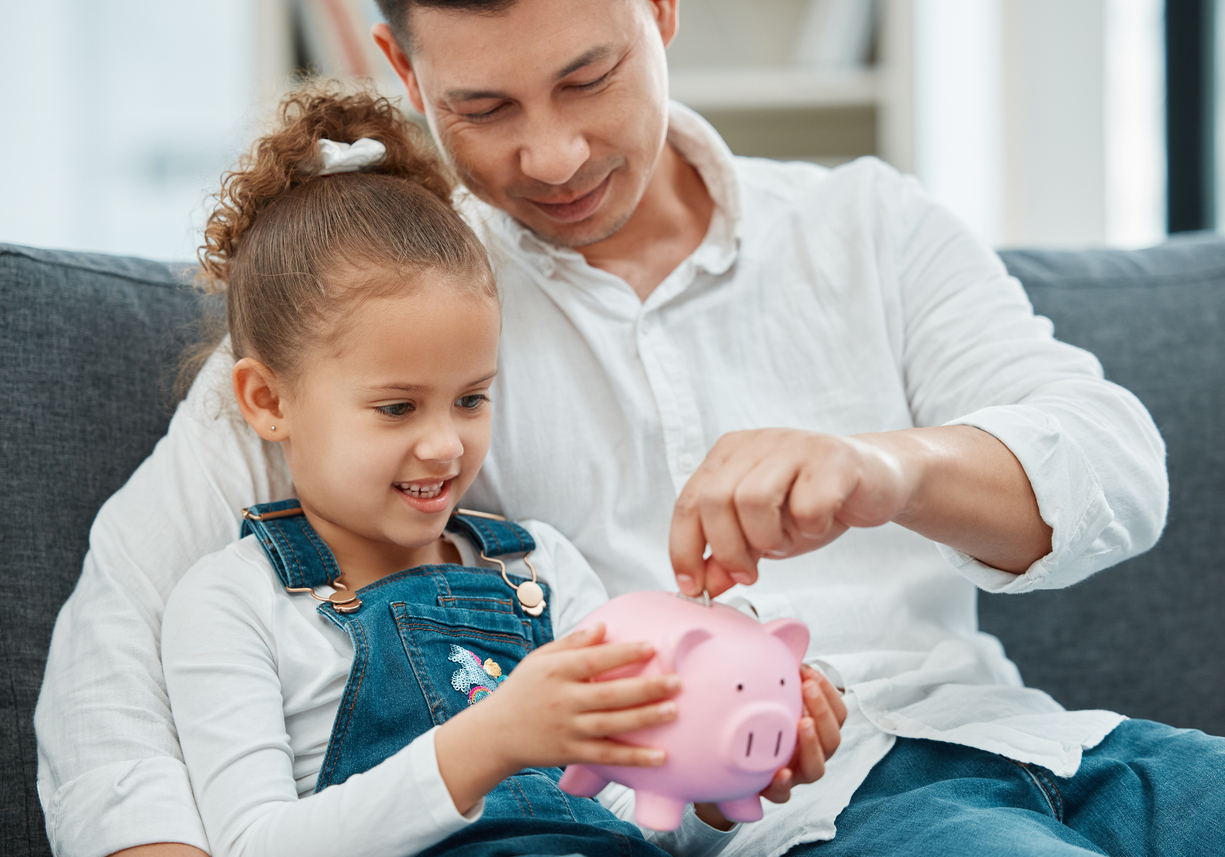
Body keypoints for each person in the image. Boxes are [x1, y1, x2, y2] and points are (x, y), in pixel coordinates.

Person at [33, 1, 1222, 856]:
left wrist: (883, 468)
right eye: (481, 106)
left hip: (1032, 739)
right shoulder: (394, 311)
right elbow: (119, 649)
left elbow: (1115, 467)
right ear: (400, 64)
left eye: (589, 76)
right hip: (815, 819)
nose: (548, 155)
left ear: (661, 11)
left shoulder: (868, 225)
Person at [155, 84, 841, 857]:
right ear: (267, 399)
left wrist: (716, 784)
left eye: (471, 397)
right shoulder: (232, 602)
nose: (446, 445)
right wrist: (489, 740)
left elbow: (631, 802)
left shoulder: (541, 568)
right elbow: (255, 845)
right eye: (396, 408)